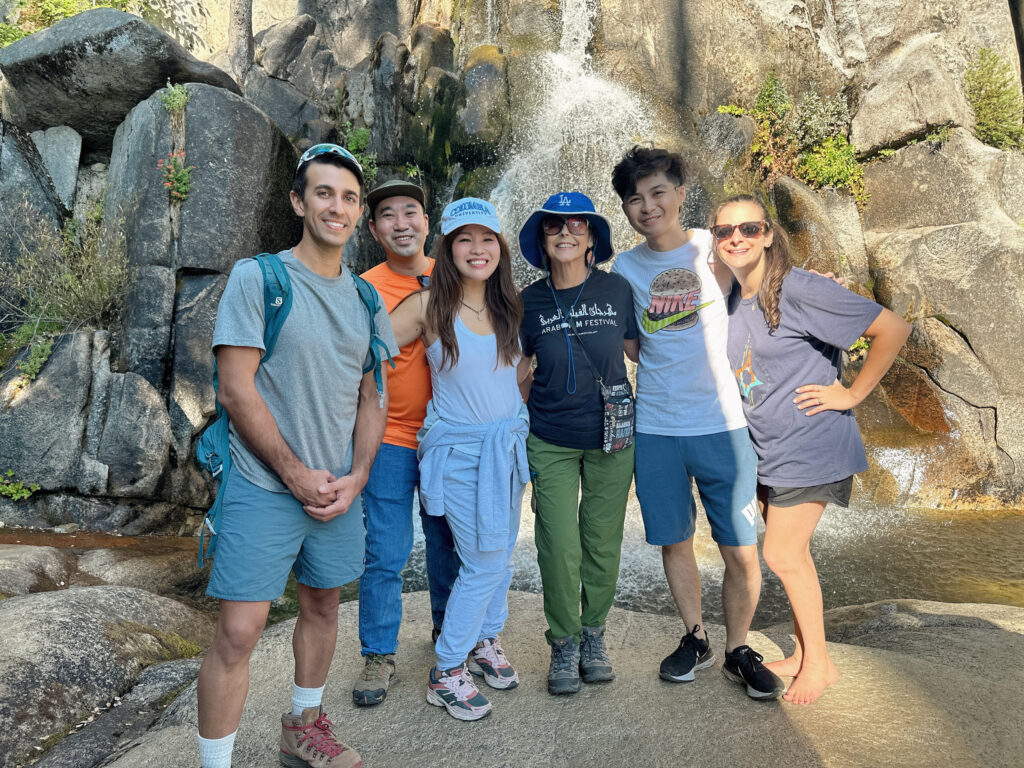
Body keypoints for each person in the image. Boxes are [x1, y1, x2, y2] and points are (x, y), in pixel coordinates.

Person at [196, 144, 398, 768]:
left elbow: (373, 395)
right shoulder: (261, 279)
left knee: (322, 604)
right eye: (323, 193)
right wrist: (291, 470)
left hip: (337, 489)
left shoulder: (366, 301)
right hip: (264, 484)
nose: (335, 207)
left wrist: (358, 476)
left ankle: (302, 726)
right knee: (238, 633)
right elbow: (236, 386)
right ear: (298, 201)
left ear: (359, 213)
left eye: (347, 197)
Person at [712, 195, 910, 704]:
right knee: (793, 555)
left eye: (749, 228)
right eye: (724, 231)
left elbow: (892, 328)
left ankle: (819, 664)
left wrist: (852, 393)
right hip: (769, 450)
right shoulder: (736, 296)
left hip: (813, 444)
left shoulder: (799, 288)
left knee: (781, 552)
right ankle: (803, 652)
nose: (736, 238)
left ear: (768, 235)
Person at [610, 146, 784, 699]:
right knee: (675, 540)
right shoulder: (627, 268)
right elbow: (633, 346)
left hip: (724, 424)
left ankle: (738, 649)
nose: (647, 206)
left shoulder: (718, 247)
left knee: (740, 546)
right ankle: (695, 636)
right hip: (657, 427)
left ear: (681, 194)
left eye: (658, 192)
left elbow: (767, 284)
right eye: (635, 199)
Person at [389, 197, 529, 721]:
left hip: (505, 449)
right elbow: (366, 351)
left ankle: (485, 641)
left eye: (487, 238)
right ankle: (446, 671)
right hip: (462, 454)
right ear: (446, 247)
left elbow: (514, 376)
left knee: (501, 555)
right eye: (464, 239)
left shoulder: (509, 303)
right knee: (485, 560)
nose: (477, 249)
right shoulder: (428, 306)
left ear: (500, 247)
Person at [517, 191, 638, 695]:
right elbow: (515, 368)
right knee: (558, 544)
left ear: (592, 238)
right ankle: (563, 642)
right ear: (542, 241)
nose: (565, 233)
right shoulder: (526, 302)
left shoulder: (618, 291)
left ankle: (594, 636)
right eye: (553, 227)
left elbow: (647, 347)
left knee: (602, 542)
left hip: (614, 435)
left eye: (576, 226)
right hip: (551, 437)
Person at [353, 179, 460, 707]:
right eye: (388, 215)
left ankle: (448, 636)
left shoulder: (459, 273)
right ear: (373, 229)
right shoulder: (362, 288)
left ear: (427, 221)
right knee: (386, 553)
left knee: (448, 545)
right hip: (389, 438)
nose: (401, 222)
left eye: (411, 212)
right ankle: (378, 652)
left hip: (447, 438)